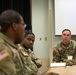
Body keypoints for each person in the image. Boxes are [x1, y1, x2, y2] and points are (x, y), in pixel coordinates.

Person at [0, 10, 26, 75]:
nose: (24, 30)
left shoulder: (10, 45)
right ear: (14, 26)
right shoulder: (2, 48)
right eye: (23, 25)